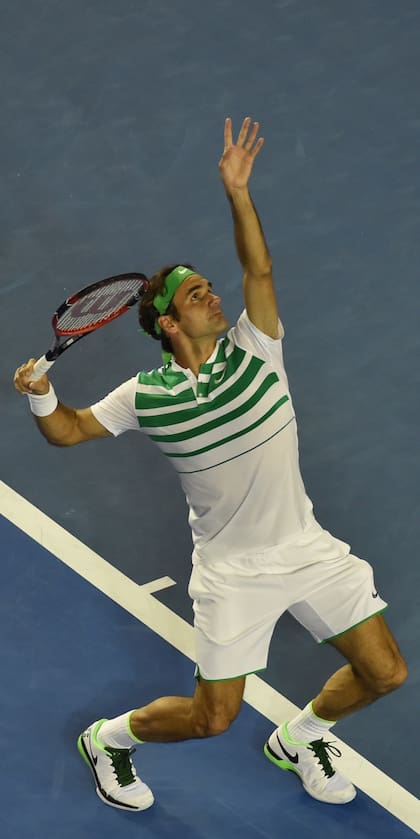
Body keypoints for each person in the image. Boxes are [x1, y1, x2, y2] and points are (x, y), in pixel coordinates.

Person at [14, 117, 407, 812]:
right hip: (231, 574)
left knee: (385, 672)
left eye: (208, 288)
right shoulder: (145, 396)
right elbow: (70, 432)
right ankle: (108, 739)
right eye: (196, 295)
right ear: (169, 323)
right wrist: (42, 396)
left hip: (306, 549)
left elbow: (260, 270)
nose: (213, 296)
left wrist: (238, 193)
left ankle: (301, 736)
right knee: (211, 718)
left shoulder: (259, 348)